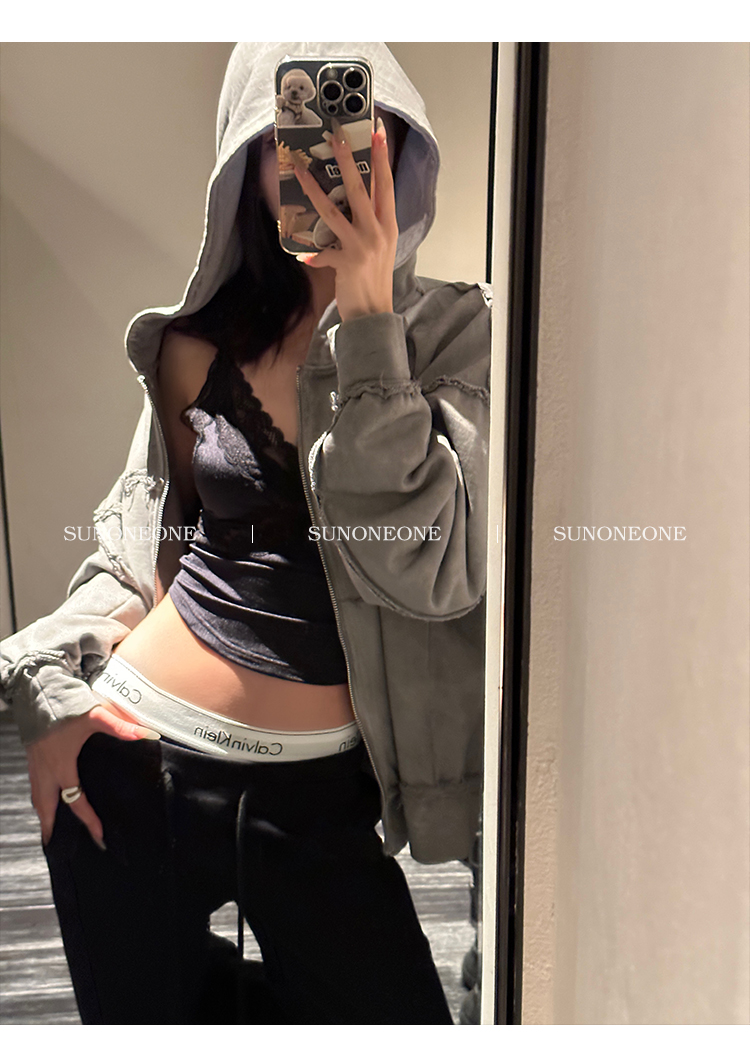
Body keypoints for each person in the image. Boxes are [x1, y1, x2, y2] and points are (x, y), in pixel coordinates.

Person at [0, 42, 491, 1024]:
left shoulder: (455, 333)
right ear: (247, 161)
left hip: (327, 795)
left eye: (358, 130)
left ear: (402, 150)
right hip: (136, 764)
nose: (326, 162)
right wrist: (42, 682)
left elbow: (431, 567)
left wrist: (370, 321)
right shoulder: (196, 345)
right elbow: (139, 553)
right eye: (289, 137)